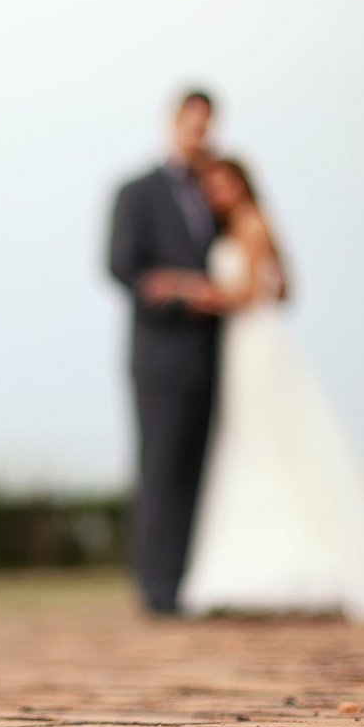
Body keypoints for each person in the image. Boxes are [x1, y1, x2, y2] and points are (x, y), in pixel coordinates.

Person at [159, 158, 364, 622]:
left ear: (242, 184)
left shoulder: (251, 223)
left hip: (256, 343)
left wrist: (187, 290)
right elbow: (283, 287)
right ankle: (255, 567)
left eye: (223, 183)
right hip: (245, 345)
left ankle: (289, 569)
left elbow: (251, 292)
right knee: (254, 445)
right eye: (210, 186)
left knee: (270, 442)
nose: (216, 193)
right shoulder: (237, 228)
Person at [106, 90, 223, 614]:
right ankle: (156, 587)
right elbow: (121, 266)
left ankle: (191, 578)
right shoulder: (136, 191)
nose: (199, 134)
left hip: (215, 353)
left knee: (202, 467)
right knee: (160, 467)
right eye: (191, 124)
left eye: (207, 125)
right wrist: (182, 292)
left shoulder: (216, 191)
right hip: (160, 353)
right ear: (171, 124)